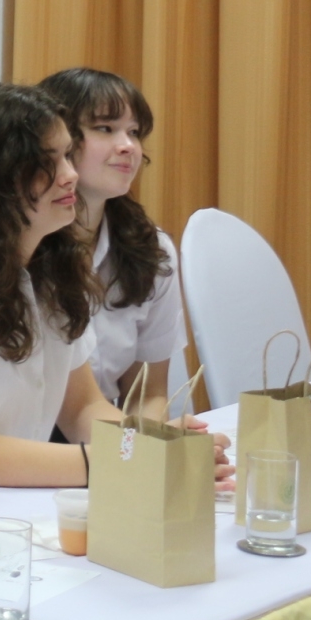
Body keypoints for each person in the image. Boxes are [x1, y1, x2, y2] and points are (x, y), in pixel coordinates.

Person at [0, 83, 229, 496]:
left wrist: (156, 446)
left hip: (5, 503)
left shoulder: (51, 258)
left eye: (68, 155)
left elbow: (83, 408)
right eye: (47, 161)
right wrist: (128, 460)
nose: (70, 175)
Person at [36, 68, 184, 419]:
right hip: (20, 441)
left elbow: (147, 394)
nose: (128, 146)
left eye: (134, 132)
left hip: (103, 434)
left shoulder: (151, 250)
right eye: (105, 128)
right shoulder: (24, 247)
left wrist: (154, 443)